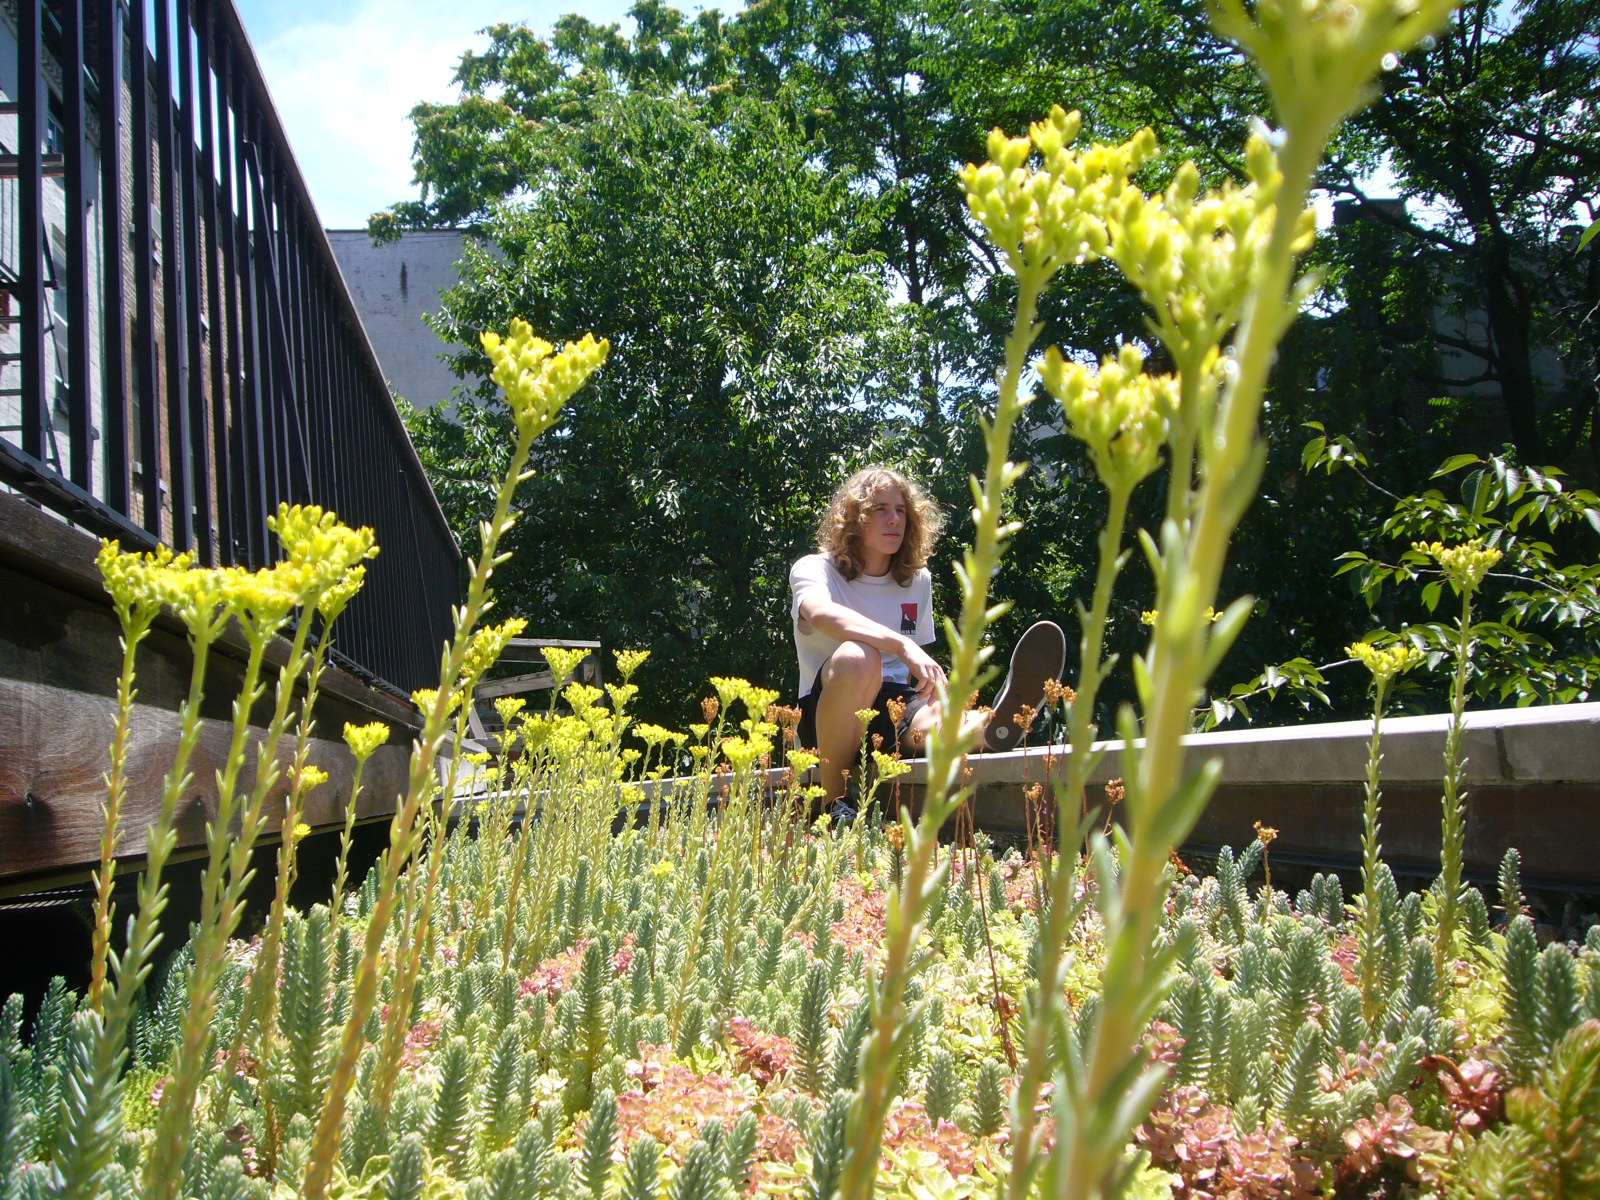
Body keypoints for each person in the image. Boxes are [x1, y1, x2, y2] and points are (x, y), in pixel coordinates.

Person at [789, 465, 1066, 822]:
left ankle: (994, 725)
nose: (894, 520)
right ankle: (833, 803)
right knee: (861, 656)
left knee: (937, 717)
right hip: (830, 709)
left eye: (901, 511)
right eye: (880, 509)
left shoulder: (916, 581)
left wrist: (935, 688)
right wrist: (902, 646)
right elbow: (820, 614)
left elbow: (916, 665)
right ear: (855, 518)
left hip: (895, 709)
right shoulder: (815, 568)